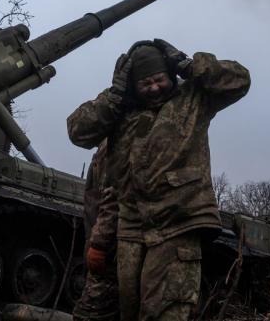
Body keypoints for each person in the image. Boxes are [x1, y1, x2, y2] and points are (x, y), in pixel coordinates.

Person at [67, 39, 250, 321]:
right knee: (129, 311)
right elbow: (79, 131)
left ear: (170, 75)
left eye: (159, 79)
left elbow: (240, 80)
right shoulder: (121, 111)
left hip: (179, 222)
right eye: (145, 83)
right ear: (132, 86)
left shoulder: (193, 99)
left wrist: (189, 66)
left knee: (165, 311)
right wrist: (115, 95)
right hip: (130, 229)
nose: (154, 88)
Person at [73, 140, 120, 321]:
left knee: (88, 314)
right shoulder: (107, 145)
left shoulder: (114, 144)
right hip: (101, 244)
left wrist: (99, 245)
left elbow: (112, 199)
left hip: (108, 253)